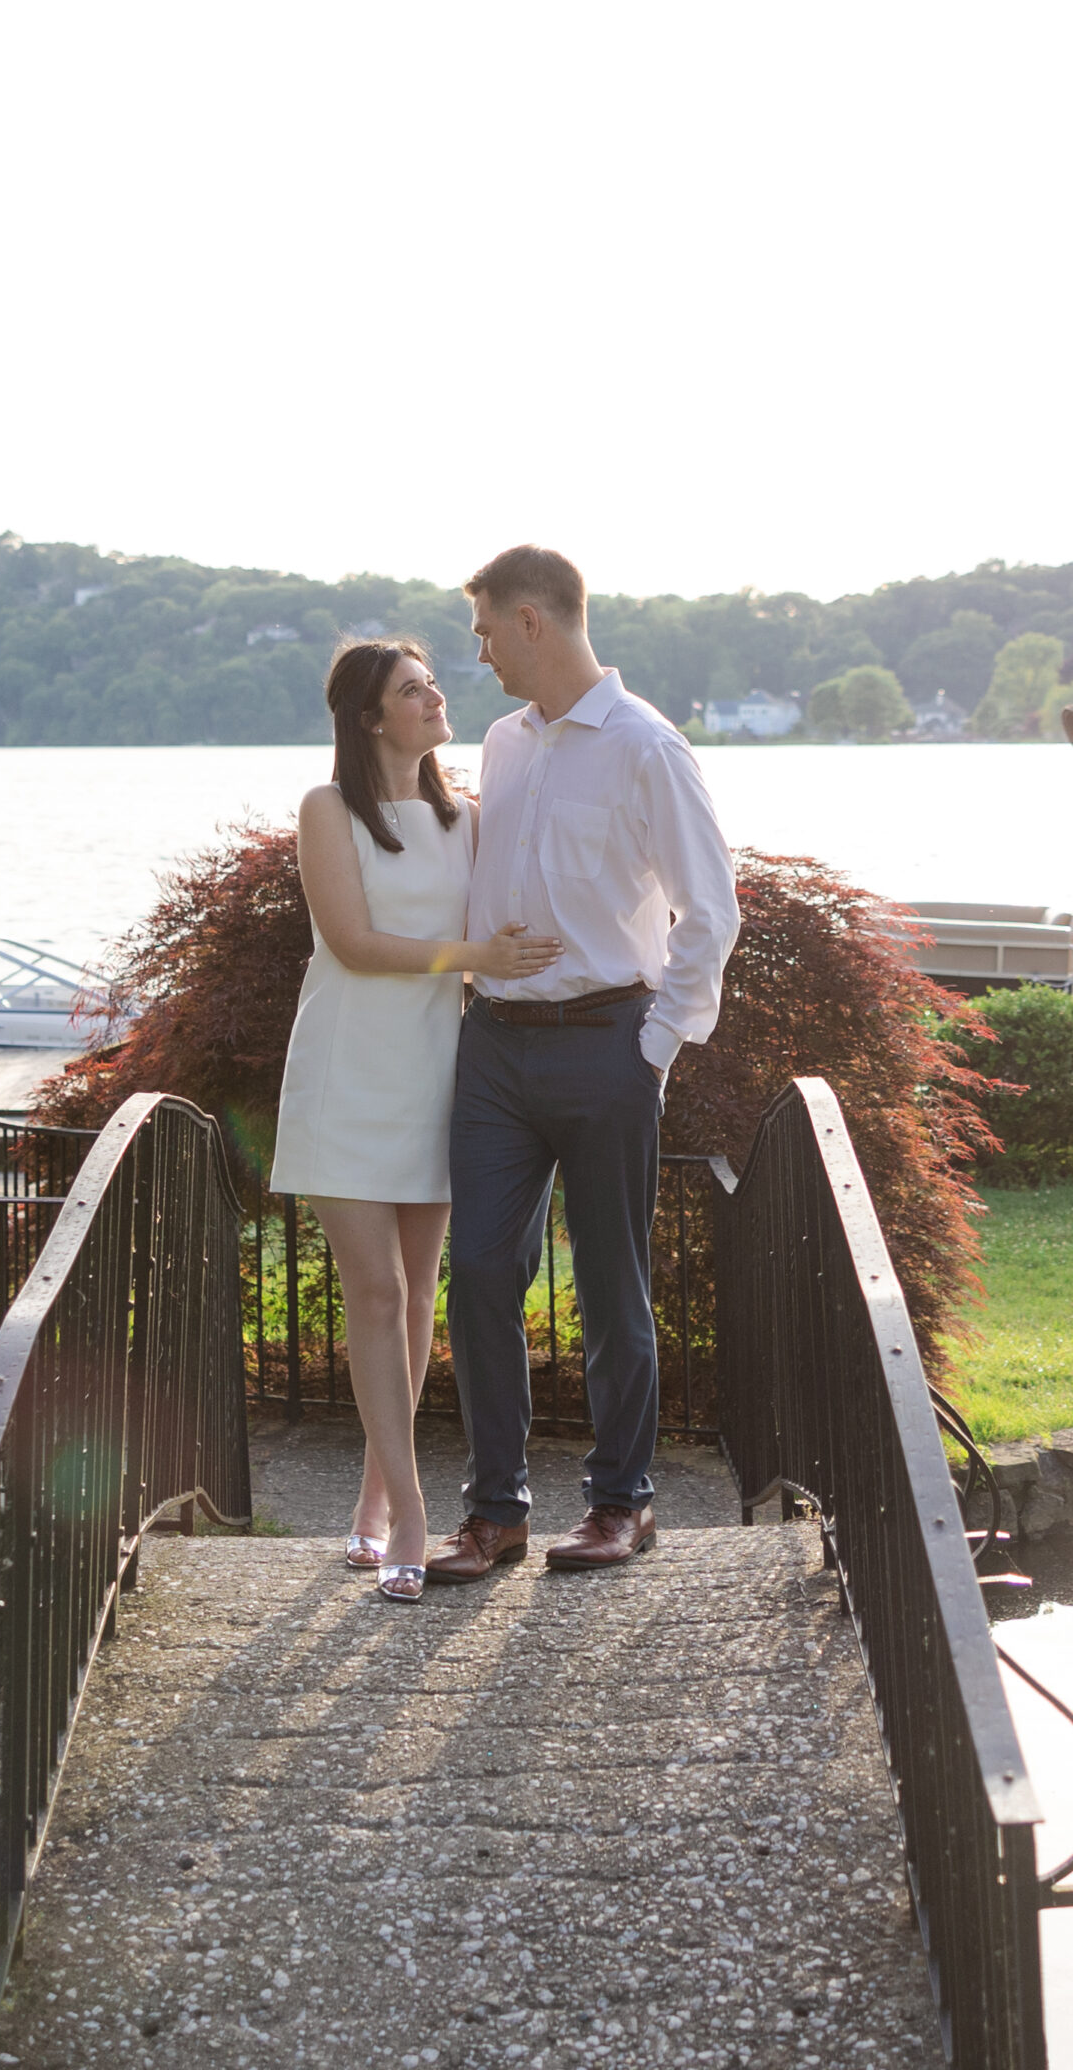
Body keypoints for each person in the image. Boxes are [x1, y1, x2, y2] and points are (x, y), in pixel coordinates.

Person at [426, 548, 740, 1586]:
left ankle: (621, 1502)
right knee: (477, 1271)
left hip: (609, 1041)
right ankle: (495, 1512)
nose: (474, 652)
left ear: (531, 621)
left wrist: (652, 1047)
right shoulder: (503, 743)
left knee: (613, 1287)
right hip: (497, 1047)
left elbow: (712, 910)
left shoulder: (649, 747)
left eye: (480, 630)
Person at [269, 638, 563, 1603]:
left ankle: (371, 1501)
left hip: (441, 1078)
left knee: (417, 1293)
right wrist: (474, 953)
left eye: (433, 683)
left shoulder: (465, 816)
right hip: (348, 1073)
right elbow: (352, 945)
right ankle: (412, 1514)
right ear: (368, 717)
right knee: (377, 1297)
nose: (435, 698)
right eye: (412, 690)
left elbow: (509, 926)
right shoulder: (327, 810)